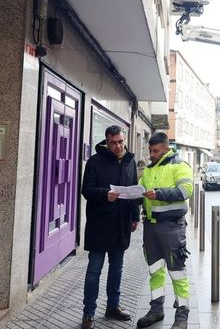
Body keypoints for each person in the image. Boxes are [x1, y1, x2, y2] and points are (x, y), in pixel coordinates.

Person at [80, 125, 141, 329]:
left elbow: (132, 191)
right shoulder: (95, 162)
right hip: (99, 223)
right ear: (106, 142)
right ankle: (89, 313)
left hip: (121, 224)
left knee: (117, 269)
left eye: (121, 141)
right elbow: (86, 190)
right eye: (114, 142)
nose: (118, 146)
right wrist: (104, 193)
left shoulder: (129, 162)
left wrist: (134, 217)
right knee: (94, 270)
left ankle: (113, 307)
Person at [136, 132, 194, 329]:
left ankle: (182, 316)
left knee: (177, 272)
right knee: (155, 271)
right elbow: (140, 192)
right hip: (150, 228)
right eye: (150, 151)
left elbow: (186, 191)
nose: (151, 154)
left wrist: (159, 193)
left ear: (166, 149)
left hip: (171, 227)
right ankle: (156, 310)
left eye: (155, 151)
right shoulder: (149, 170)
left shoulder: (179, 165)